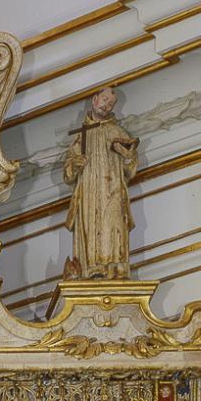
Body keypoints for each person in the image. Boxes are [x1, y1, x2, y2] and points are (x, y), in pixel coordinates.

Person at [64, 86, 140, 278]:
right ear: (95, 99)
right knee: (89, 229)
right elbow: (67, 174)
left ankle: (115, 270)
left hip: (113, 191)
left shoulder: (118, 132)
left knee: (114, 227)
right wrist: (75, 166)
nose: (107, 105)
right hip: (89, 194)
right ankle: (90, 270)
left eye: (111, 103)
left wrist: (127, 156)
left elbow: (130, 169)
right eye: (104, 100)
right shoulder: (81, 136)